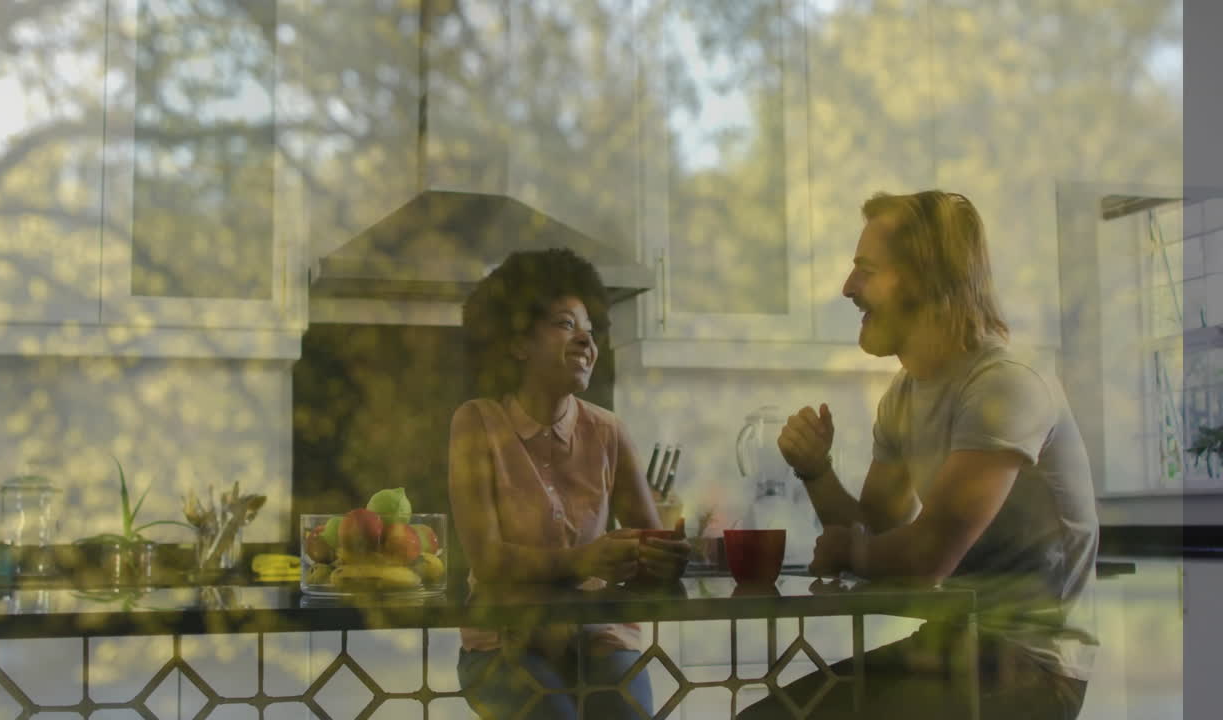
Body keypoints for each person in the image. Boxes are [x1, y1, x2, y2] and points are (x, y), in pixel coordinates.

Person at [741, 190, 1098, 719]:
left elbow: (928, 556)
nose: (848, 288)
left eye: (865, 269)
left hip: (1033, 667)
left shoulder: (1003, 386)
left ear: (927, 280)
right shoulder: (905, 394)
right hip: (954, 645)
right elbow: (878, 533)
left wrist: (849, 551)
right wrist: (817, 471)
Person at [448, 247, 690, 720]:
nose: (586, 341)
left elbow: (649, 544)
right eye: (565, 324)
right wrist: (586, 559)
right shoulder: (476, 423)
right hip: (503, 641)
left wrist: (666, 558)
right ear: (518, 342)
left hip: (598, 637)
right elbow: (488, 560)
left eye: (591, 330)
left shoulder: (608, 431)